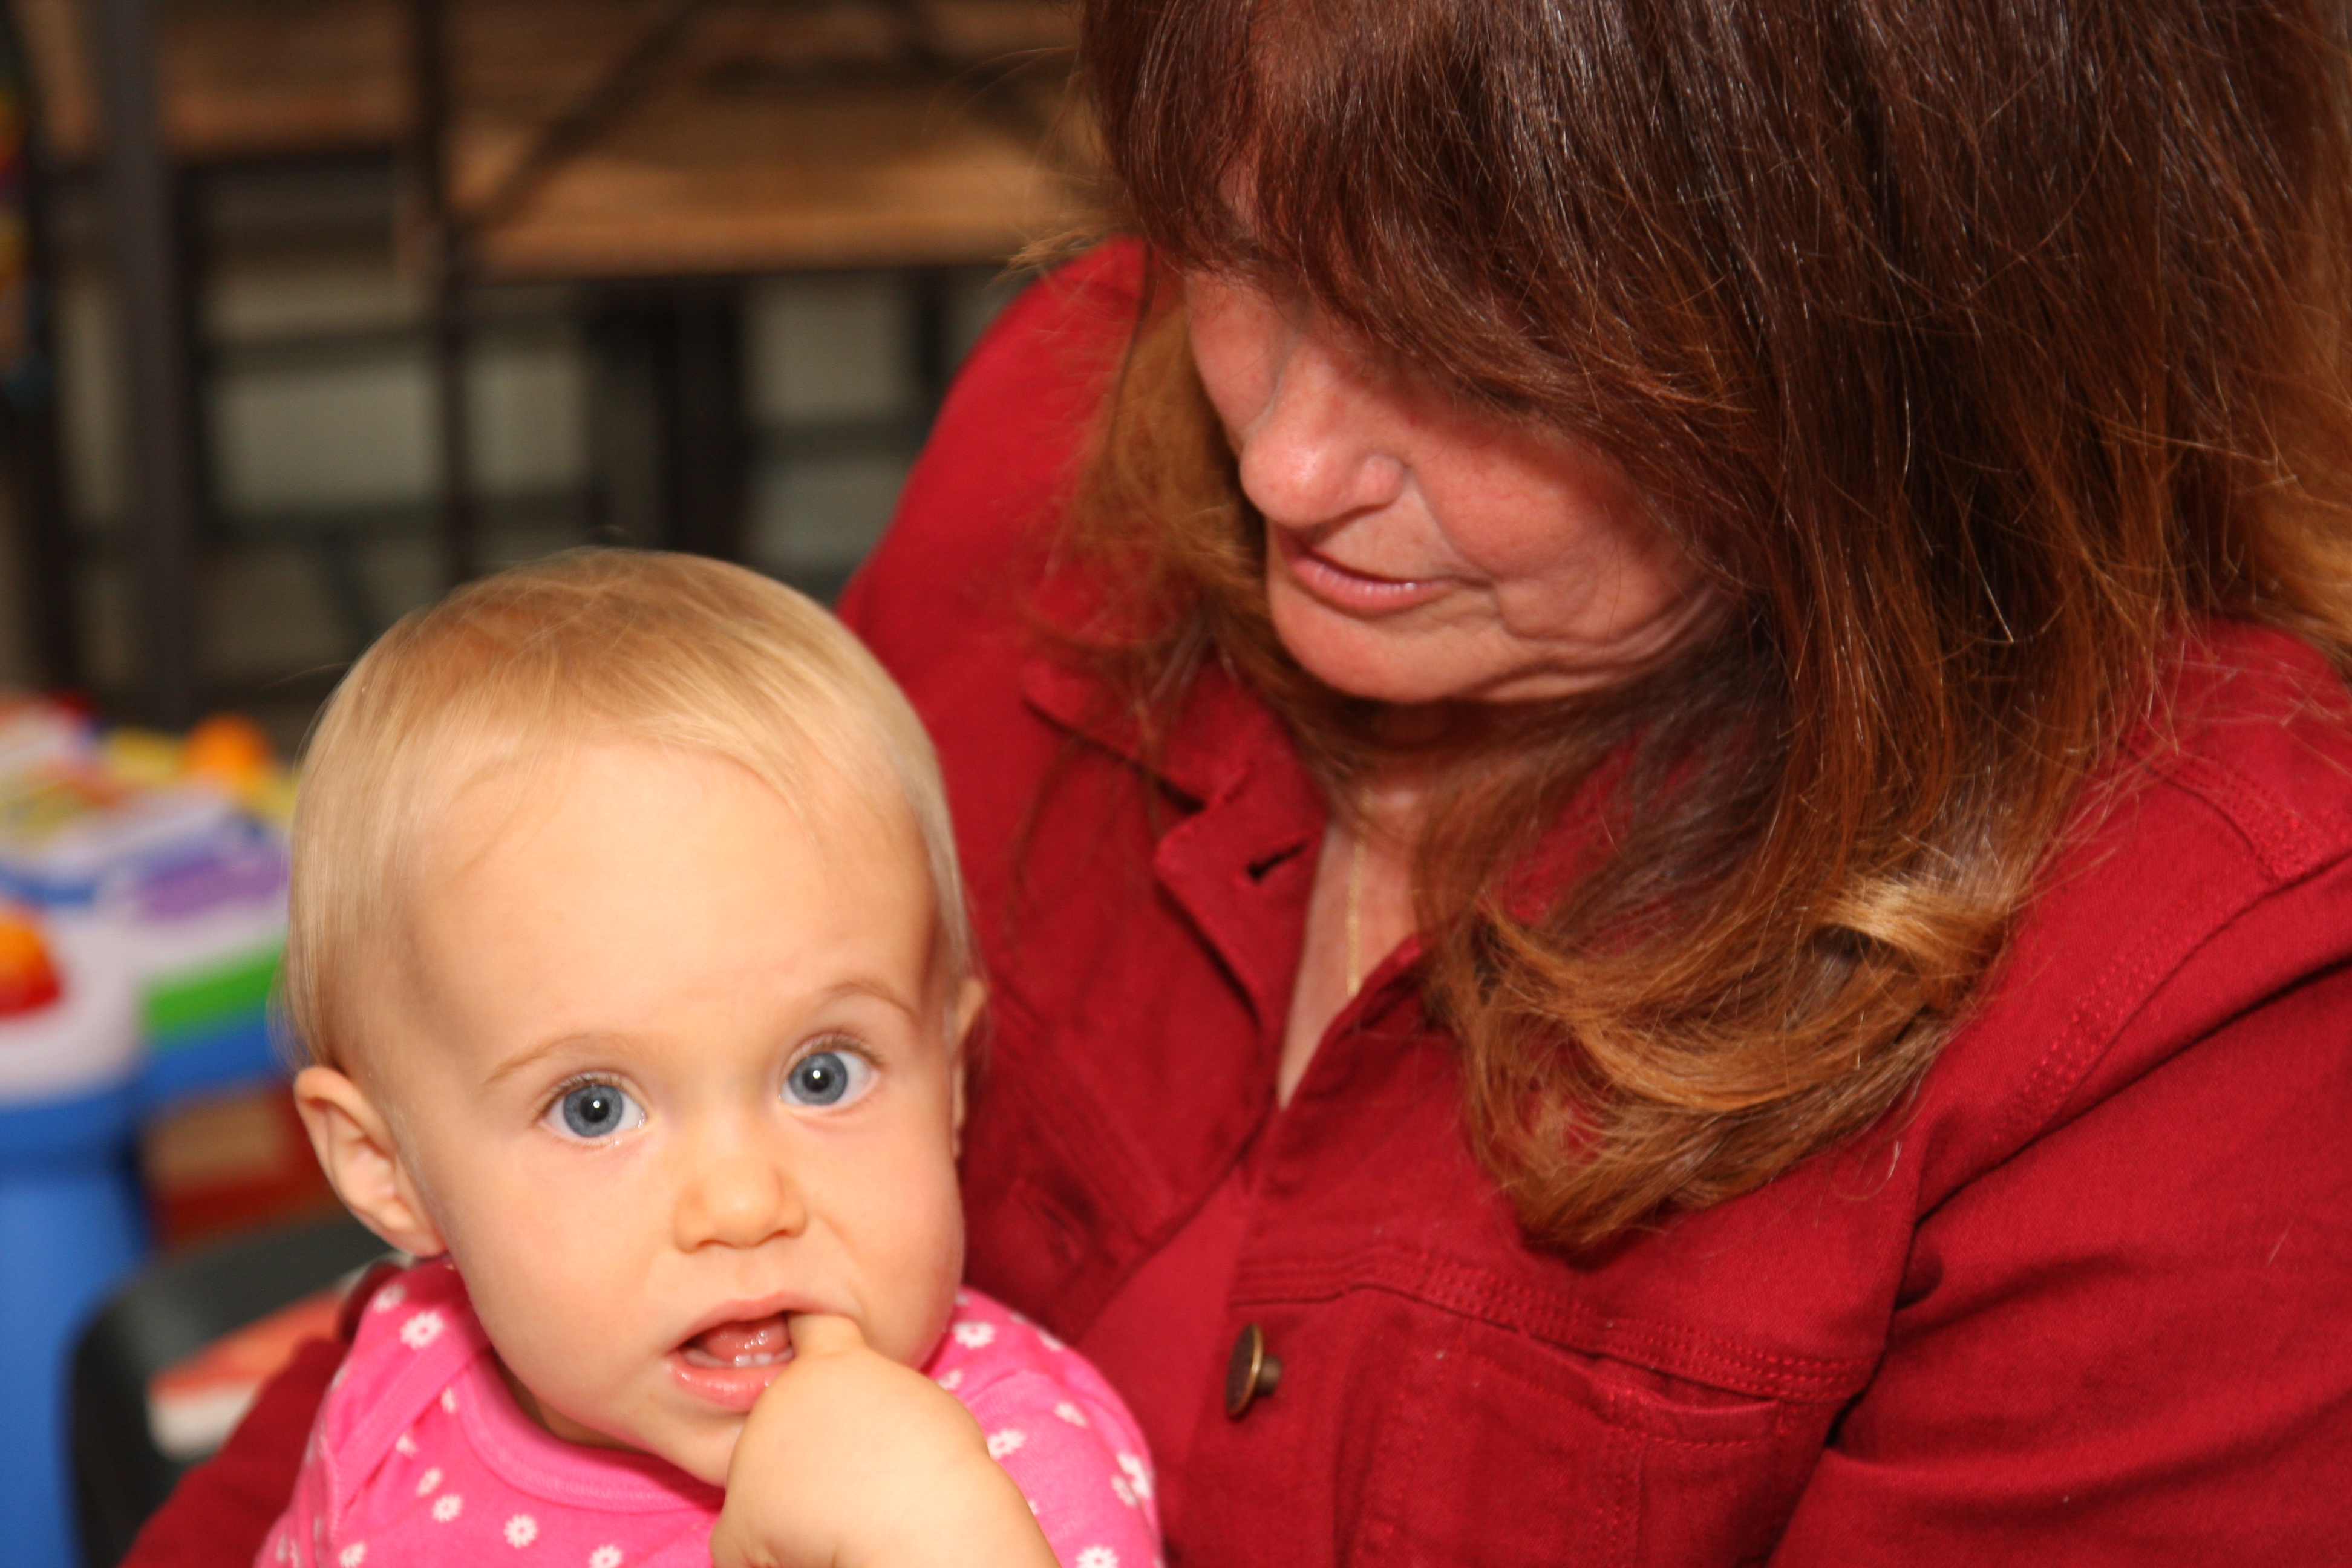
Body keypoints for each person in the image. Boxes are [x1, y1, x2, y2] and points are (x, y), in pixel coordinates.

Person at [127, 0, 2352, 1563]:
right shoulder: (1060, 436)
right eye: (1236, 249)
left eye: (1482, 362)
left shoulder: (2208, 1003)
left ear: (1902, 344)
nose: (1283, 457)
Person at [253, 552, 1160, 1568]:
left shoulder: (1009, 1482)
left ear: (949, 1079)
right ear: (387, 1166)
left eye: (823, 1076)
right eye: (594, 1108)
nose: (742, 1203)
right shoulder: (397, 1395)